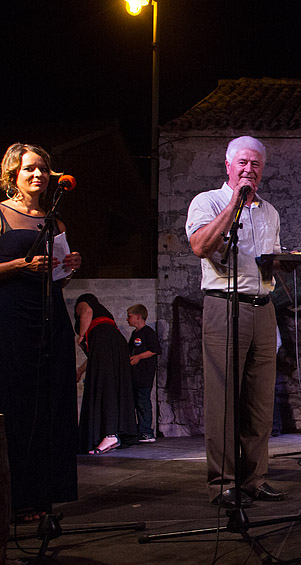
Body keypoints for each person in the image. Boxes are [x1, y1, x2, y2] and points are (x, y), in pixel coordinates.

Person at [185, 135, 284, 507]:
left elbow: (271, 259)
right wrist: (235, 203)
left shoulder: (271, 212)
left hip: (263, 307)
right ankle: (223, 482)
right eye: (242, 162)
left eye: (255, 164)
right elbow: (201, 246)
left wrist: (286, 263)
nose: (249, 169)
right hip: (224, 306)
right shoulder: (207, 201)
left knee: (260, 401)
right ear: (228, 165)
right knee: (223, 398)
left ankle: (255, 479)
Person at [0, 143, 81, 519]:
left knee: (52, 401)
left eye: (44, 169)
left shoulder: (55, 222)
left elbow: (58, 280)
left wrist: (68, 266)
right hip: (13, 317)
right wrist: (22, 264)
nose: (39, 175)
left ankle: (47, 492)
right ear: (13, 174)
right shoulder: (1, 214)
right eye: (30, 168)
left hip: (51, 316)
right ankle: (17, 498)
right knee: (17, 402)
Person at [75, 293, 137, 454]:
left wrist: (81, 336)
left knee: (105, 385)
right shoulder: (105, 322)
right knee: (114, 385)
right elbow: (95, 358)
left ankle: (110, 434)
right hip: (118, 346)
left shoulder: (83, 303)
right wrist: (80, 370)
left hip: (105, 343)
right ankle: (113, 433)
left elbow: (86, 311)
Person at [127, 304, 162, 443]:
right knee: (136, 402)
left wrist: (139, 357)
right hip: (134, 375)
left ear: (138, 316)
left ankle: (147, 432)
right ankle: (139, 430)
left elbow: (155, 350)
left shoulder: (148, 332)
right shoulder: (134, 334)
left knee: (143, 402)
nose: (127, 319)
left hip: (144, 375)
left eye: (129, 316)